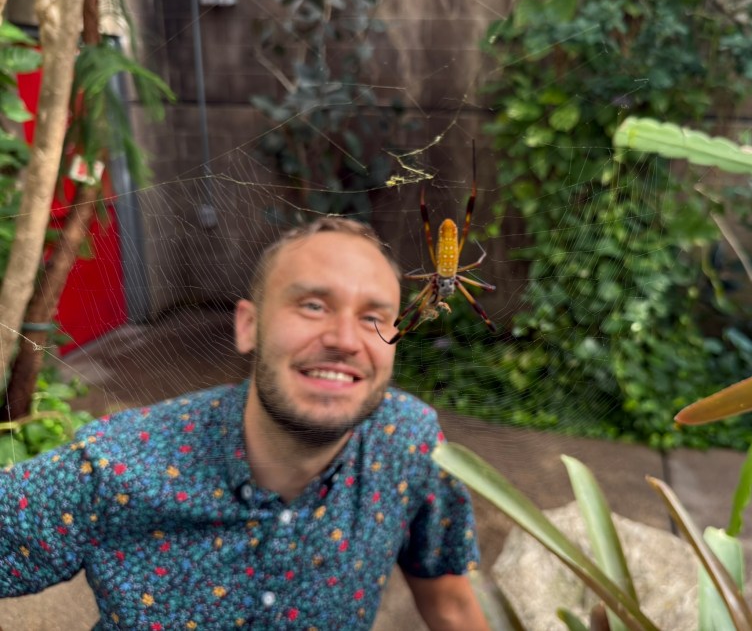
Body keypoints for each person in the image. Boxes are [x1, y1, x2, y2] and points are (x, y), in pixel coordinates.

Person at [0, 218, 490, 630]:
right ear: (248, 326)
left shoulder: (410, 440)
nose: (345, 339)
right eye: (313, 305)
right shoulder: (117, 466)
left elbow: (448, 598)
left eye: (373, 318)